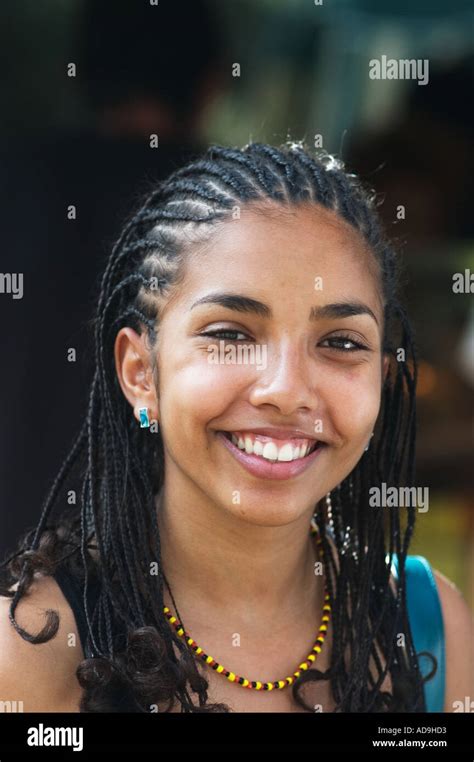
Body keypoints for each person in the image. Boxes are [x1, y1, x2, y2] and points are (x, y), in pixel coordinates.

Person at [0, 141, 472, 713]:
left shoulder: (429, 628)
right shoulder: (31, 652)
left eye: (341, 342)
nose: (286, 389)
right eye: (230, 335)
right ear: (140, 371)